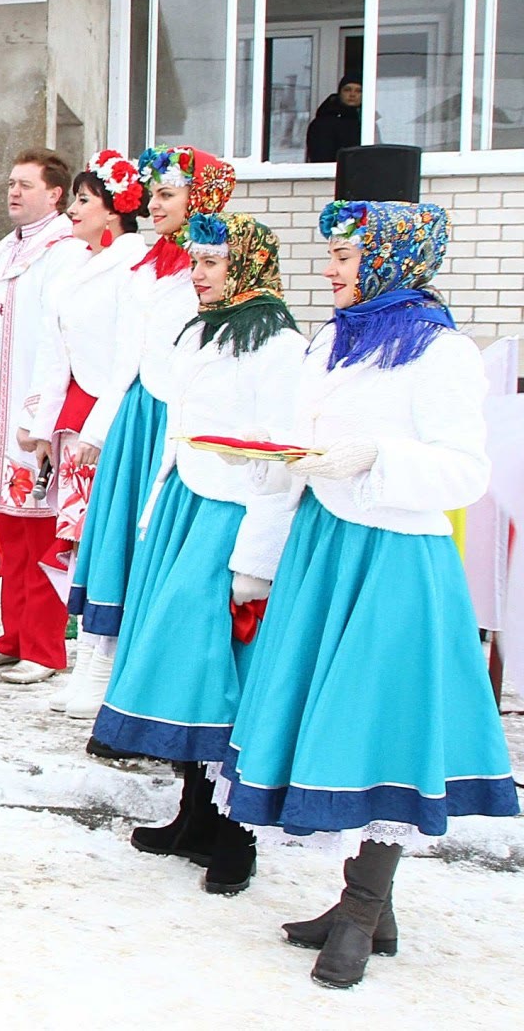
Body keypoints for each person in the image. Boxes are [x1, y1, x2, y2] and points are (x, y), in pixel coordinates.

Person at [220, 185, 517, 988]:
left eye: (346, 256)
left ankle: (359, 911)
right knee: (330, 723)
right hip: (324, 546)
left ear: (390, 257)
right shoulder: (331, 343)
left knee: (381, 725)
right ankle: (367, 908)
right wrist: (267, 474)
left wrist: (377, 457)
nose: (331, 271)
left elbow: (465, 471)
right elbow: (301, 443)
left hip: (393, 556)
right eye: (333, 256)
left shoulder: (442, 350)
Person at [91, 211, 305, 897]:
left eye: (212, 263)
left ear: (246, 266)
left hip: (228, 514)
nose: (198, 271)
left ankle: (233, 835)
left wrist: (256, 555)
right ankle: (190, 813)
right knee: (184, 663)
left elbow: (280, 460)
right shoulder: (207, 328)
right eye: (198, 260)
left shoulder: (278, 345)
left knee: (221, 666)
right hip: (185, 503)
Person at [62, 145, 230, 732]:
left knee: (156, 537)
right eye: (152, 194)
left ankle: (133, 667)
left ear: (201, 199)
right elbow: (126, 354)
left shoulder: (218, 265)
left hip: (183, 414)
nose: (153, 204)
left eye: (168, 194)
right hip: (141, 409)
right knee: (113, 531)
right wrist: (101, 425)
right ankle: (95, 661)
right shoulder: (144, 262)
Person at [0, 149, 89, 684]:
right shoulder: (3, 250)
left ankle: (44, 648)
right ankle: (12, 637)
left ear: (55, 194)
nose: (13, 191)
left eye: (25, 184)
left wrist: (42, 417)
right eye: (10, 183)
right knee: (9, 533)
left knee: (39, 537)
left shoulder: (64, 251)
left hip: (33, 411)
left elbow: (61, 341)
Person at [30, 151, 151, 719]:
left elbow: (128, 354)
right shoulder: (76, 262)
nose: (73, 210)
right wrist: (40, 421)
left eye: (84, 200)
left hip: (110, 411)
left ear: (116, 211)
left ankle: (102, 665)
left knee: (99, 540)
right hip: (74, 410)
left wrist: (98, 427)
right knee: (77, 539)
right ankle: (89, 666)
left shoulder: (136, 263)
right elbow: (57, 345)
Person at [305, 75, 362, 164]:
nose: (352, 94)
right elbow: (321, 160)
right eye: (347, 90)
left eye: (358, 91)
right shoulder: (323, 123)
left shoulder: (367, 122)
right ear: (340, 93)